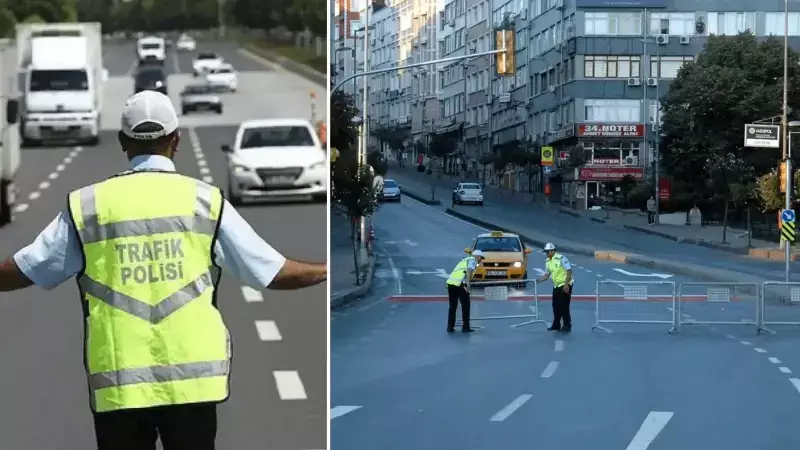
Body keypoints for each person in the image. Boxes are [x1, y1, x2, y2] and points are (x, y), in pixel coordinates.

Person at [0, 91, 327, 450]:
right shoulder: (205, 201)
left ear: (123, 142)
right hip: (193, 386)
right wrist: (325, 270)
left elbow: (25, 269)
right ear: (176, 140)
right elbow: (272, 272)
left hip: (119, 387)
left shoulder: (89, 206)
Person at [536, 243, 573, 332]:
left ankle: (567, 325)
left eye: (548, 252)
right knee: (555, 306)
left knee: (564, 306)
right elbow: (547, 275)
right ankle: (556, 325)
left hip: (565, 285)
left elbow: (569, 270)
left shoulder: (561, 258)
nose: (546, 254)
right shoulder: (547, 261)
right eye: (546, 252)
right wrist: (538, 281)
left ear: (553, 251)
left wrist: (566, 284)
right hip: (556, 285)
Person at [445, 250, 484, 333]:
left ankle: (450, 327)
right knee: (466, 306)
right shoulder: (473, 260)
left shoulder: (465, 260)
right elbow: (469, 270)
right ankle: (465, 327)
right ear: (477, 256)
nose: (481, 260)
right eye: (481, 258)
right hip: (460, 284)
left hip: (451, 283)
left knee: (452, 307)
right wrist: (468, 283)